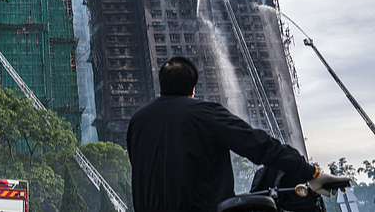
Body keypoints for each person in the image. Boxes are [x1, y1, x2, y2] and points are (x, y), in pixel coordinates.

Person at [127, 56, 349, 212]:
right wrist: (312, 173)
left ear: (162, 86)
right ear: (192, 89)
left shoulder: (137, 121)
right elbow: (259, 145)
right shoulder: (205, 114)